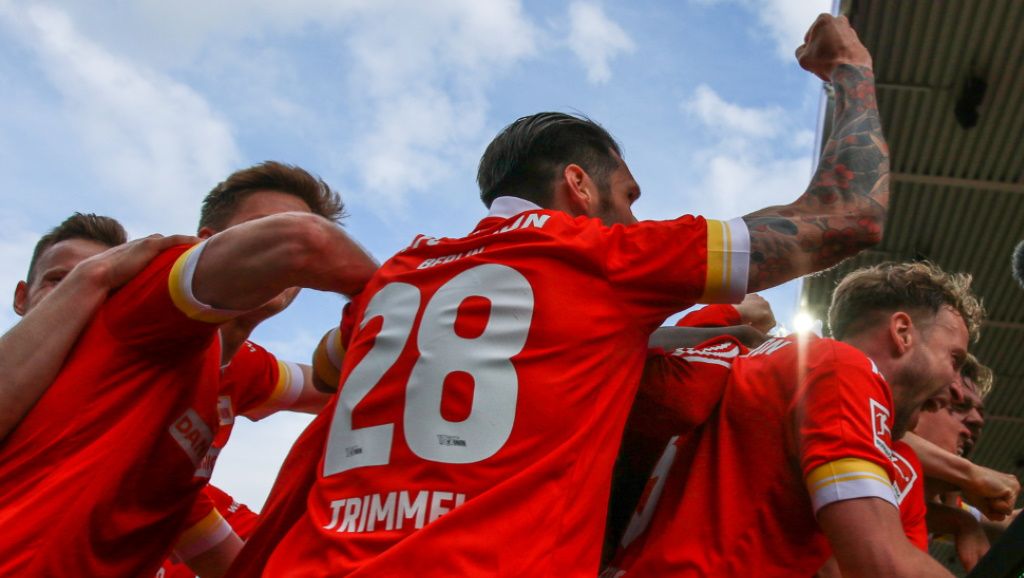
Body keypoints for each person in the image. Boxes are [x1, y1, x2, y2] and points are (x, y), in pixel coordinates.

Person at [233, 12, 892, 577]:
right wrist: (850, 68)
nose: (635, 219)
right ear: (579, 183)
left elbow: (327, 368)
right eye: (629, 196)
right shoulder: (604, 258)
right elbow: (849, 214)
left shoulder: (395, 276)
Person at [0, 164, 377, 576]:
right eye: (259, 226)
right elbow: (303, 241)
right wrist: (408, 292)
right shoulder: (148, 302)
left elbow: (334, 386)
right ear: (207, 244)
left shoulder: (242, 366)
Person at [605, 261, 982, 578]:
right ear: (902, 333)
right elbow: (878, 561)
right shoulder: (843, 369)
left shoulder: (769, 364)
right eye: (954, 359)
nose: (955, 388)